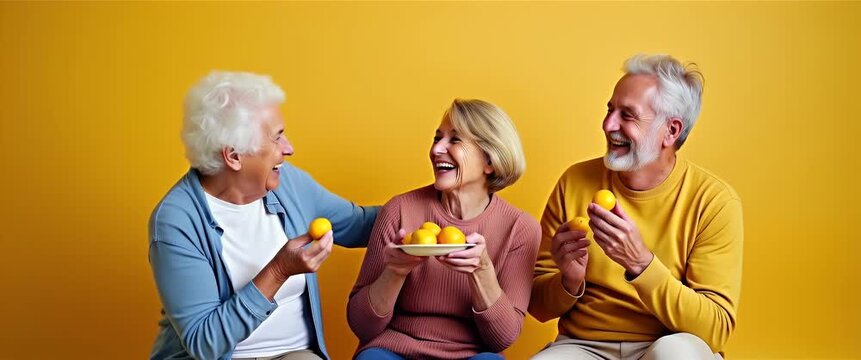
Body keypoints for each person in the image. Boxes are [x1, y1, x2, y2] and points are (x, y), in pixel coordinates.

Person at [148, 71, 378, 360]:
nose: (289, 149)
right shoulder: (176, 221)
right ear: (233, 156)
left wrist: (437, 200)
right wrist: (278, 271)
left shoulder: (290, 184)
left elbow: (361, 224)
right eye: (277, 138)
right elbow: (204, 344)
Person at [529, 54, 743, 360]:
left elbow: (714, 329)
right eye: (609, 110)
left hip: (668, 344)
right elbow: (536, 305)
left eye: (627, 115)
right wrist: (568, 281)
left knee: (677, 355)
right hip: (583, 346)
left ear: (671, 131)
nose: (608, 125)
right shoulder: (574, 181)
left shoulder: (714, 202)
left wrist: (642, 264)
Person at [347, 99, 541, 359]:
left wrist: (482, 271)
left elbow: (502, 339)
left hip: (470, 355)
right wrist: (395, 271)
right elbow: (362, 326)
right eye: (437, 138)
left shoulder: (520, 228)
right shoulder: (399, 209)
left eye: (455, 140)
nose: (437, 149)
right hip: (393, 350)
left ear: (490, 161)